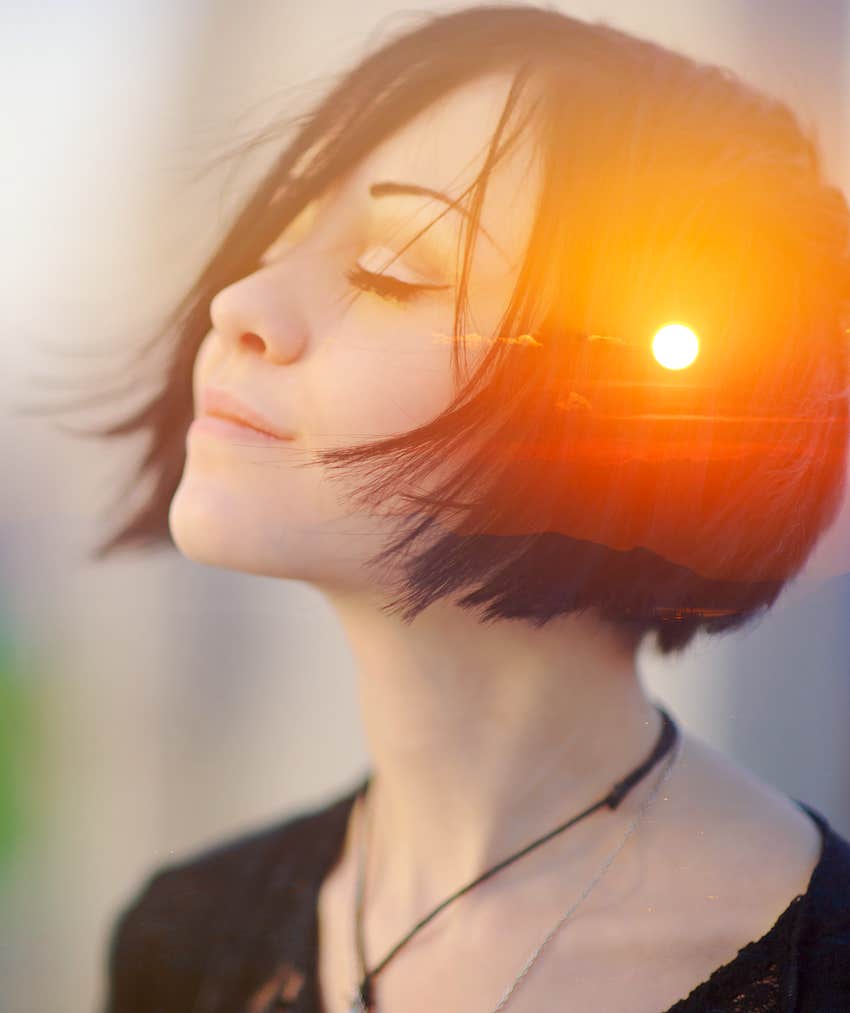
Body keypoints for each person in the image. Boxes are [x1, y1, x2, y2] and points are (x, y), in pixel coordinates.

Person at [93, 5, 850, 1011]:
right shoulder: (182, 938)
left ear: (618, 407)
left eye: (390, 266)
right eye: (280, 235)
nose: (243, 304)